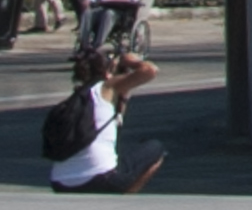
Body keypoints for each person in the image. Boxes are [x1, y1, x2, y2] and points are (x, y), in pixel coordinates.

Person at [47, 46, 168, 195]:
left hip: (60, 182)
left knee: (117, 158)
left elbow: (113, 124)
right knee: (156, 148)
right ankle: (120, 202)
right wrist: (132, 61)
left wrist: (123, 96)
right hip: (100, 180)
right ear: (108, 71)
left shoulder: (76, 100)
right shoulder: (106, 86)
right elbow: (150, 71)